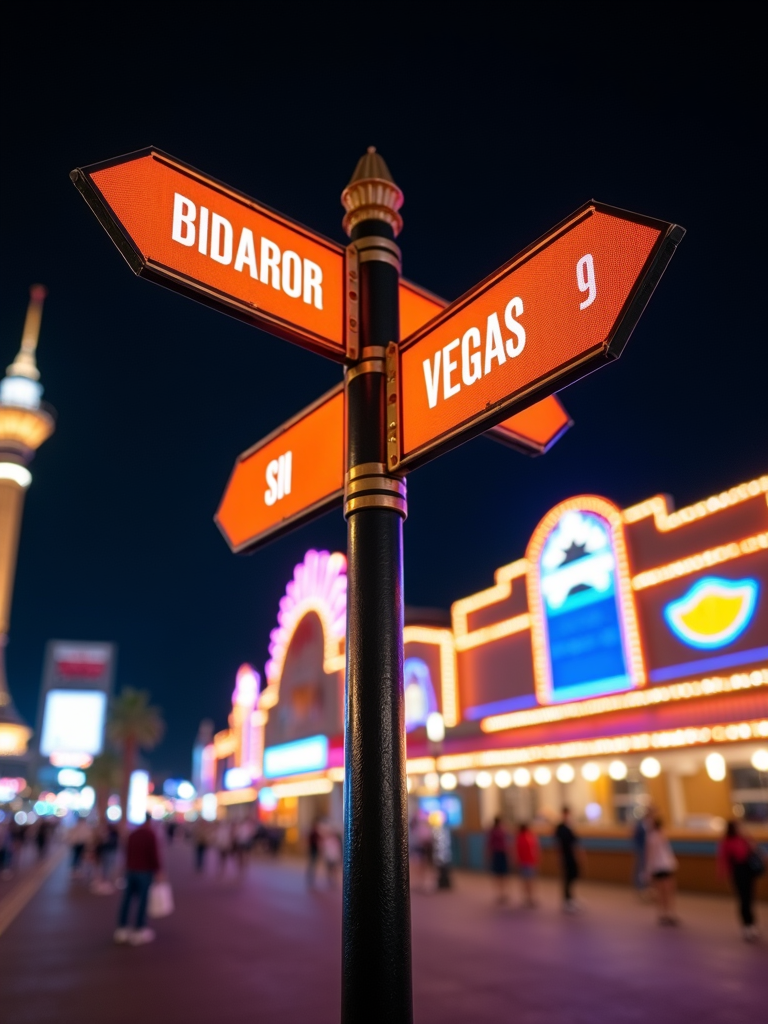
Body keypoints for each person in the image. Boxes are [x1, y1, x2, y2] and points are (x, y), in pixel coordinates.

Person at [114, 813, 161, 945]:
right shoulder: (150, 834)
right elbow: (154, 855)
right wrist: (158, 871)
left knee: (127, 900)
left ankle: (121, 928)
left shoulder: (132, 834)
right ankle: (140, 928)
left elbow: (126, 852)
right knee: (143, 901)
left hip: (130, 871)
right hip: (145, 872)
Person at [717, 820, 761, 942]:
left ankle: (752, 925)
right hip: (738, 872)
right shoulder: (728, 842)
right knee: (743, 899)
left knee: (749, 898)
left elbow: (754, 851)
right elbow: (724, 858)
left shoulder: (745, 839)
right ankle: (746, 926)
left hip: (748, 871)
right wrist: (722, 874)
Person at [645, 817, 679, 926]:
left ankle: (663, 914)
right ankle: (669, 913)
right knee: (668, 891)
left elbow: (650, 854)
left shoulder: (653, 837)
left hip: (659, 866)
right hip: (665, 866)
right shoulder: (662, 835)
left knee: (661, 892)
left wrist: (648, 869)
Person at [554, 807, 581, 912]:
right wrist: (559, 857)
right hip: (565, 857)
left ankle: (571, 898)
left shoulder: (570, 827)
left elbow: (575, 843)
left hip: (571, 856)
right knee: (567, 878)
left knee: (573, 876)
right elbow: (558, 844)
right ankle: (566, 901)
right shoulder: (560, 828)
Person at [515, 823, 540, 907]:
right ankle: (530, 899)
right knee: (530, 881)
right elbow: (534, 850)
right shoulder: (530, 837)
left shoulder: (519, 838)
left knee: (525, 881)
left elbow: (517, 851)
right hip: (529, 862)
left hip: (523, 862)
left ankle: (527, 898)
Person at [488, 816, 510, 904]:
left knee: (500, 874)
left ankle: (502, 893)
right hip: (499, 853)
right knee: (501, 874)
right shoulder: (499, 830)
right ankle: (501, 893)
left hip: (499, 853)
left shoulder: (496, 830)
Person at [322, 824, 342, 890]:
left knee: (334, 869)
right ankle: (330, 878)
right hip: (329, 857)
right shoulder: (327, 840)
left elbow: (338, 849)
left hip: (334, 857)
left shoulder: (335, 840)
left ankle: (334, 879)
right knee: (330, 869)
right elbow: (325, 849)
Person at [307, 818, 322, 889]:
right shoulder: (314, 832)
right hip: (313, 849)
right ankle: (311, 877)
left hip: (314, 849)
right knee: (313, 863)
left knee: (313, 863)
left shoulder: (314, 832)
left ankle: (311, 877)